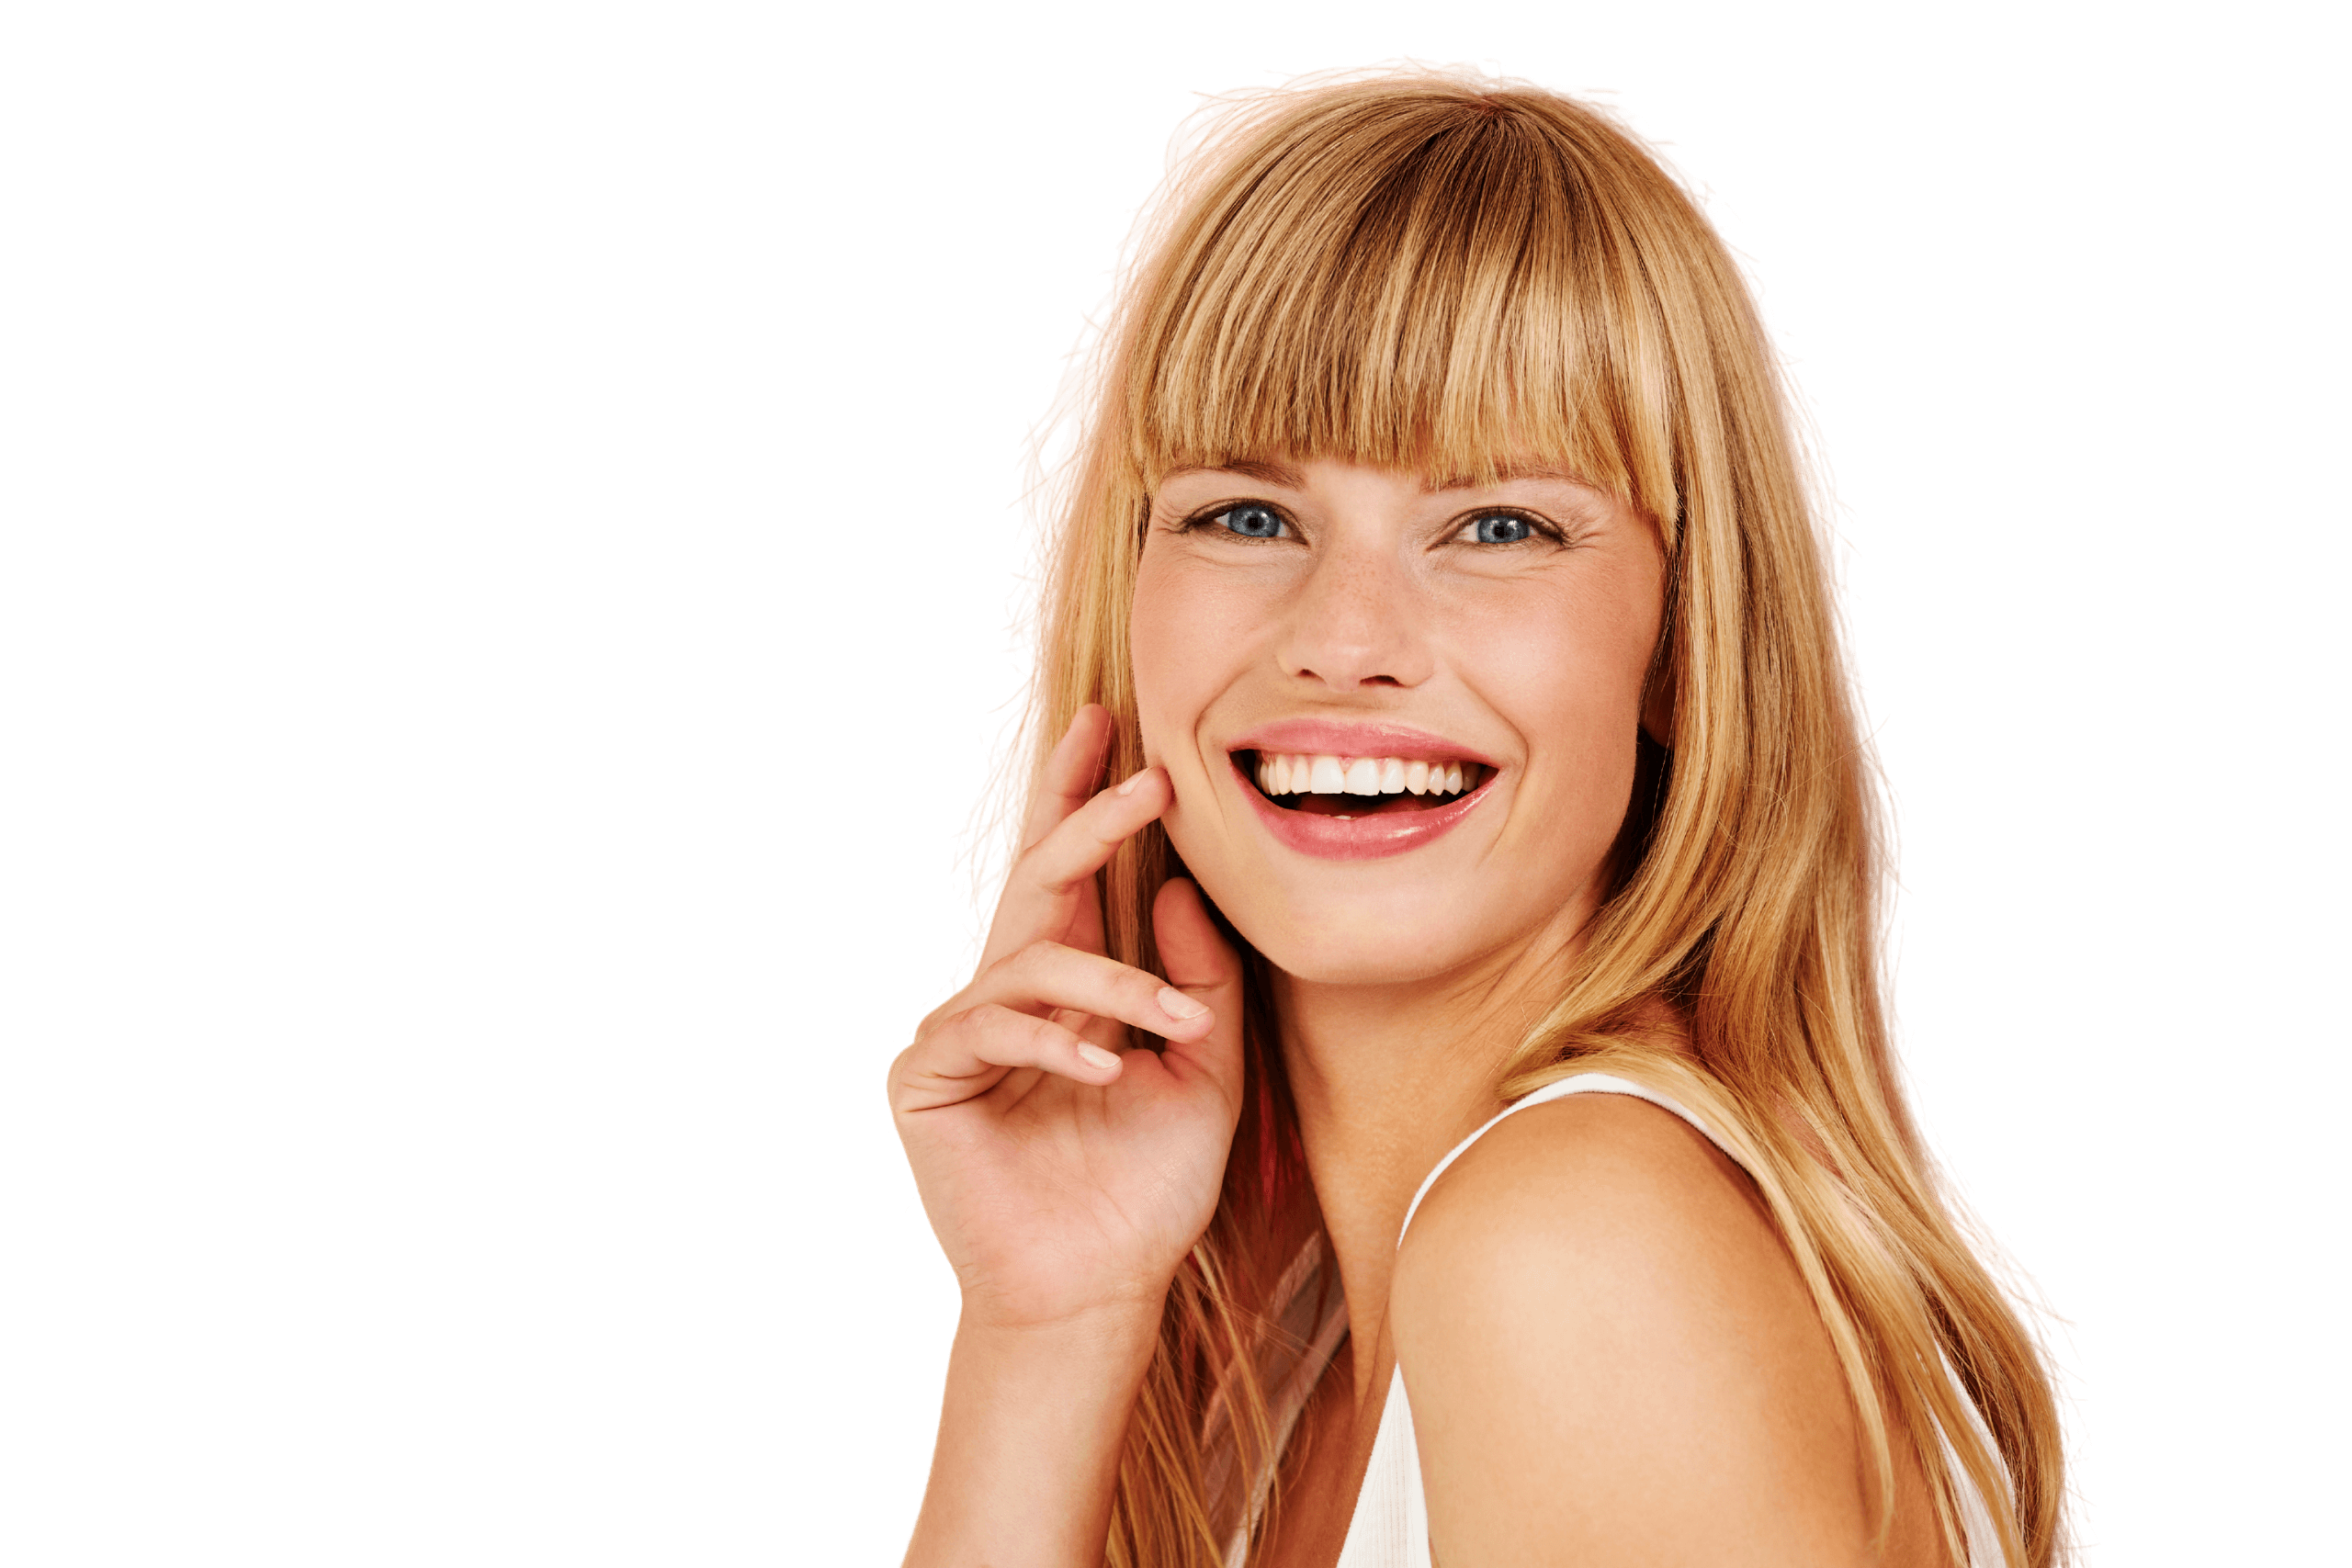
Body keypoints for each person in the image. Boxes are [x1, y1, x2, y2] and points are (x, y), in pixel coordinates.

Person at [890, 58, 2085, 1568]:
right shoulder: (1297, 1345)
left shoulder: (1577, 1251)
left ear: (1681, 639)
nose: (1344, 634)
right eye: (1246, 514)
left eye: (1500, 524)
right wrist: (1047, 1323)